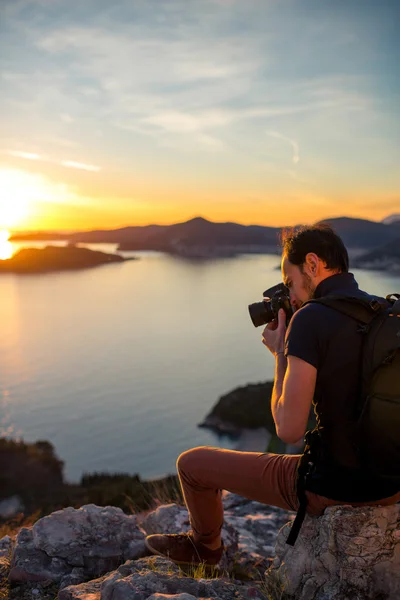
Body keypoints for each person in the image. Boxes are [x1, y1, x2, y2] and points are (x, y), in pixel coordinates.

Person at [144, 224, 400, 567]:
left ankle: (205, 548)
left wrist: (281, 353)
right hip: (393, 482)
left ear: (312, 264)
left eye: (289, 280)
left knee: (191, 465)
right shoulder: (384, 311)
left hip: (340, 486)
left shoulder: (311, 319)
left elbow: (289, 429)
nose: (290, 295)